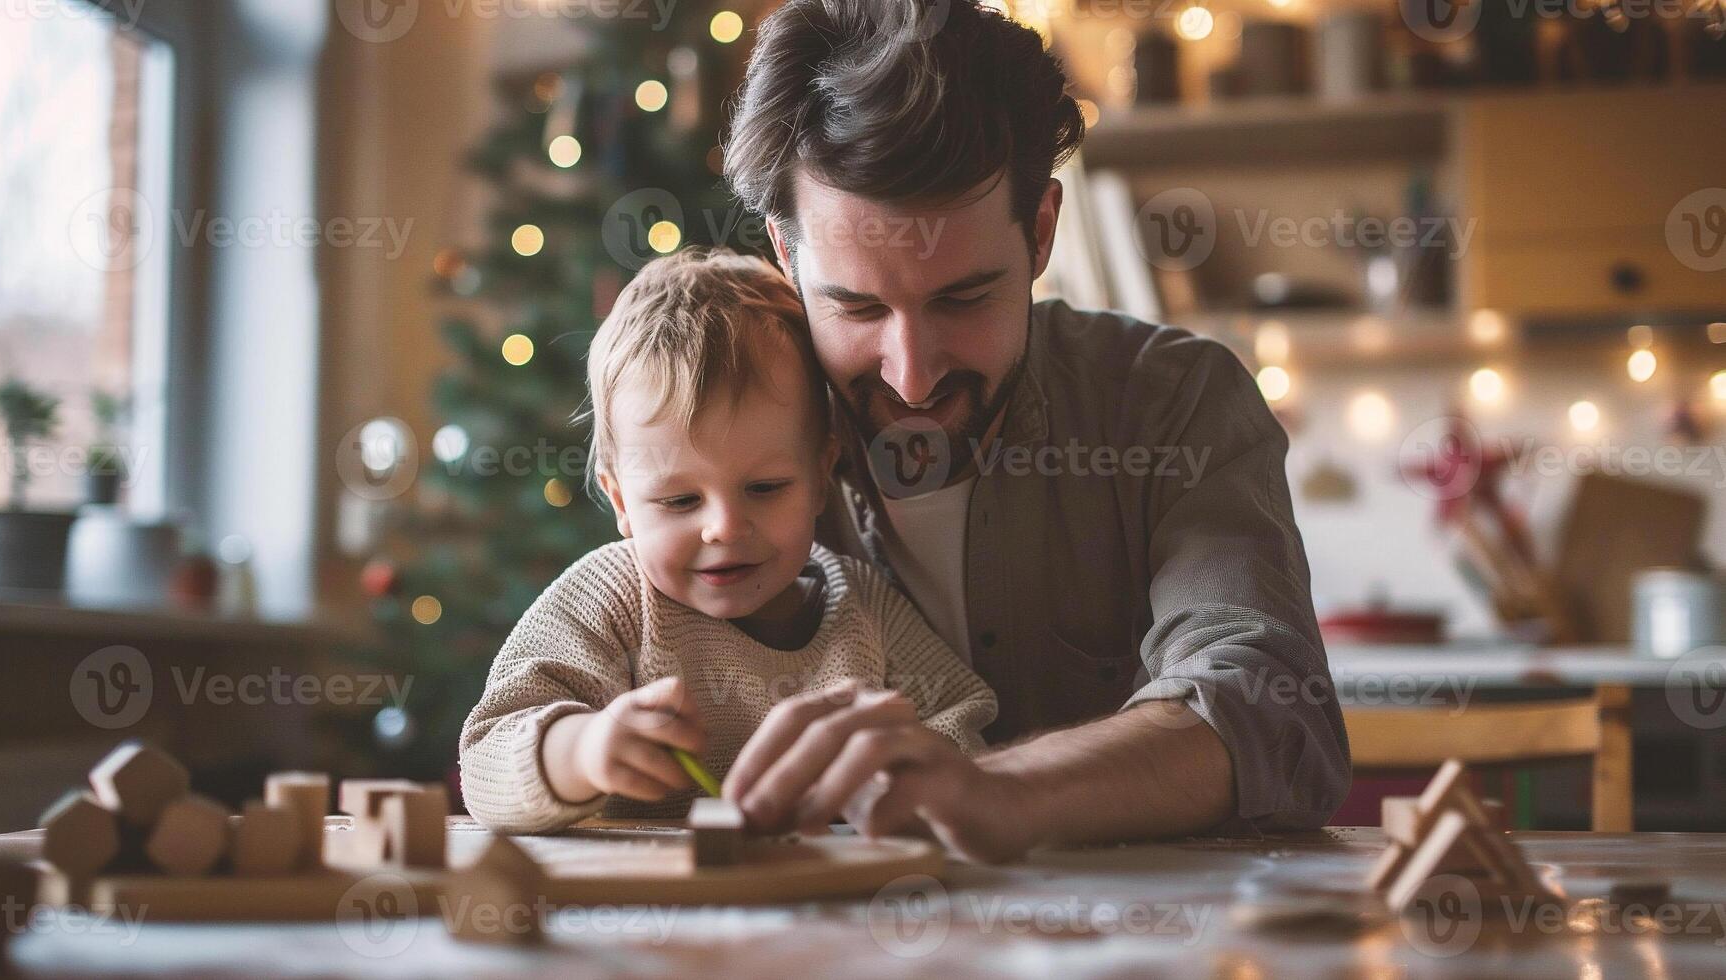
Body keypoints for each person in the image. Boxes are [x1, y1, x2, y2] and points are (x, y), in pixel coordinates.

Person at [715, 0, 1351, 861]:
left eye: (963, 298)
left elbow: (1272, 710)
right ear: (787, 259)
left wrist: (996, 793)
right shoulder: (716, 431)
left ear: (1042, 230)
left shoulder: (1174, 405)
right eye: (857, 306)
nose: (911, 375)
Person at [457, 247, 997, 831]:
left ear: (820, 478)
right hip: (646, 913)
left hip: (825, 907)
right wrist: (581, 751)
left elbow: (964, 728)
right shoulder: (609, 601)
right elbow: (486, 759)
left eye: (765, 488)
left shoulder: (861, 607)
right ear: (622, 503)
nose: (725, 528)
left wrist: (896, 771)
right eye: (679, 501)